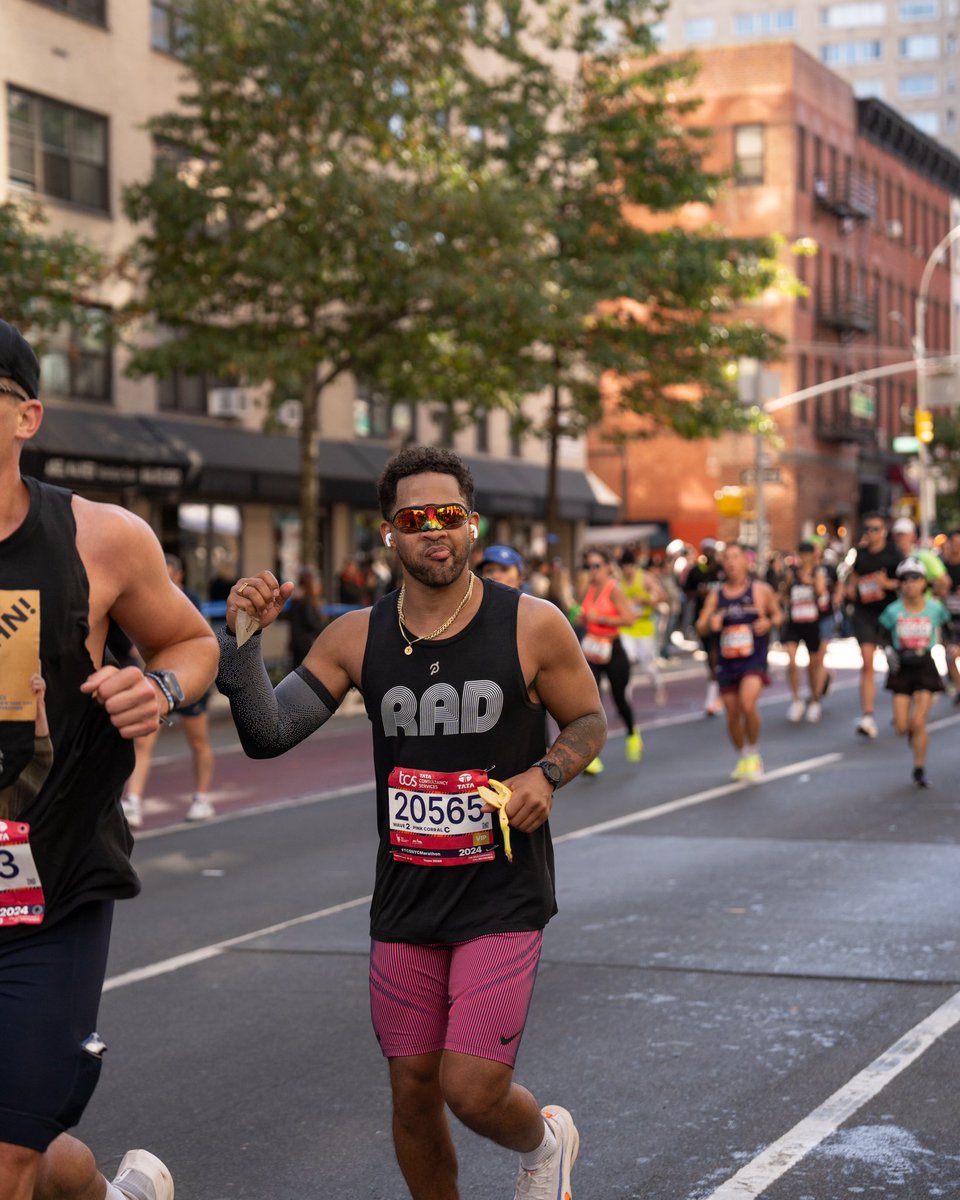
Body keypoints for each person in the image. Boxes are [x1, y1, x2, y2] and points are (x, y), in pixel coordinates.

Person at [216, 444, 606, 1200]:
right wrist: (242, 642)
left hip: (501, 890)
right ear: (389, 532)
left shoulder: (531, 624)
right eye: (416, 518)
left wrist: (547, 773)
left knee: (472, 1088)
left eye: (449, 515)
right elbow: (268, 733)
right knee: (414, 1090)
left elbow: (587, 720)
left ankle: (544, 1142)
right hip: (406, 897)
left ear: (472, 524)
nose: (435, 531)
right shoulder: (354, 637)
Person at [0, 321, 218, 1200]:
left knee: (8, 1158)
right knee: (28, 1152)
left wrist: (157, 689)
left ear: (27, 417)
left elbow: (192, 643)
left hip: (49, 889)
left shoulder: (102, 538)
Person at [121, 554, 217, 827]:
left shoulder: (190, 600)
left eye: (167, 572)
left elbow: (202, 642)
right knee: (143, 741)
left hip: (187, 679)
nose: (161, 575)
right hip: (158, 679)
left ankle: (201, 797)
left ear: (179, 574)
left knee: (197, 741)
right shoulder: (147, 598)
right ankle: (133, 800)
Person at [696, 541, 782, 781]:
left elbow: (778, 615)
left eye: (735, 557)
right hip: (727, 661)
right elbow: (700, 625)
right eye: (726, 558)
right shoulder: (716, 596)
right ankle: (743, 756)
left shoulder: (760, 590)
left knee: (747, 704)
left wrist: (768, 623)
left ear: (746, 560)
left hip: (753, 659)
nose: (731, 562)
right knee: (732, 714)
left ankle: (753, 752)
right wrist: (711, 623)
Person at [878, 557, 951, 788]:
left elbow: (948, 629)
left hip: (925, 665)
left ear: (924, 582)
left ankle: (919, 768)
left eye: (915, 578)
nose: (910, 584)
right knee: (902, 726)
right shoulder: (893, 610)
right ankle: (911, 732)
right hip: (901, 667)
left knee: (919, 721)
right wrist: (888, 650)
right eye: (905, 579)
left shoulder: (935, 608)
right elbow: (881, 634)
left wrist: (952, 646)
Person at [576, 547, 643, 772]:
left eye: (596, 566)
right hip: (592, 650)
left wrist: (602, 618)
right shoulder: (588, 589)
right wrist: (583, 618)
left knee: (619, 699)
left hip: (613, 650)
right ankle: (591, 756)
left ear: (607, 567)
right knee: (590, 703)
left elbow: (629, 619)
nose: (592, 570)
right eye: (588, 566)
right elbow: (584, 615)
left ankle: (632, 732)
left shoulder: (614, 589)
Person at [846, 513, 902, 738]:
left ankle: (901, 707)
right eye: (867, 529)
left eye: (875, 529)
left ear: (884, 532)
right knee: (867, 661)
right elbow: (853, 577)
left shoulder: (894, 553)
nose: (870, 533)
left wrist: (887, 583)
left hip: (889, 613)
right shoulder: (859, 554)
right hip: (865, 613)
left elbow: (908, 581)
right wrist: (850, 588)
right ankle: (868, 715)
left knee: (896, 663)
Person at [780, 541, 829, 723]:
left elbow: (821, 591)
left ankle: (815, 700)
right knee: (791, 662)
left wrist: (811, 582)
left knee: (813, 664)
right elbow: (783, 594)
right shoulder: (792, 572)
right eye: (802, 554)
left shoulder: (818, 572)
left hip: (811, 622)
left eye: (807, 554)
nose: (804, 558)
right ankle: (796, 700)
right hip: (794, 621)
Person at [618, 550, 667, 706]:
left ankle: (658, 686)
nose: (627, 570)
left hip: (644, 625)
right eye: (624, 567)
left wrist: (645, 600)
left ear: (634, 565)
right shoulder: (619, 581)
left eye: (629, 566)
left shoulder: (645, 578)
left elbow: (661, 596)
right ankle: (625, 700)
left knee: (646, 665)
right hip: (627, 626)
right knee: (628, 660)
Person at [682, 538, 724, 715]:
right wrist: (700, 593)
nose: (709, 553)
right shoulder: (696, 571)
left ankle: (719, 692)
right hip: (705, 619)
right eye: (706, 550)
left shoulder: (722, 570)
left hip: (724, 620)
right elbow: (687, 592)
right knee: (711, 656)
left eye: (711, 550)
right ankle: (715, 689)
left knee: (720, 656)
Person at [287, 567, 329, 667]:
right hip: (306, 644)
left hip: (297, 642)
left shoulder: (297, 598)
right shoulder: (306, 601)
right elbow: (312, 622)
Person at [940, 529, 960, 700]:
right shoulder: (940, 566)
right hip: (947, 617)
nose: (956, 547)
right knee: (949, 655)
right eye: (954, 543)